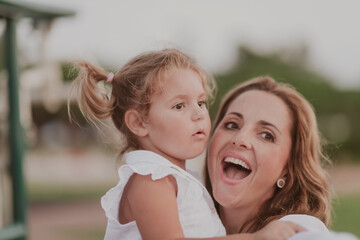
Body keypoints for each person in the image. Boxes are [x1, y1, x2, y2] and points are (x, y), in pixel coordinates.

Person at [68, 49, 305, 240]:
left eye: (201, 102)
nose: (199, 114)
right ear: (139, 123)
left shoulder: (177, 180)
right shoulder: (150, 181)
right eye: (179, 106)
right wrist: (255, 239)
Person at [206, 76, 359, 240]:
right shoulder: (183, 215)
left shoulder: (294, 229)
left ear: (288, 169)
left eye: (266, 135)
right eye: (232, 124)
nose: (240, 139)